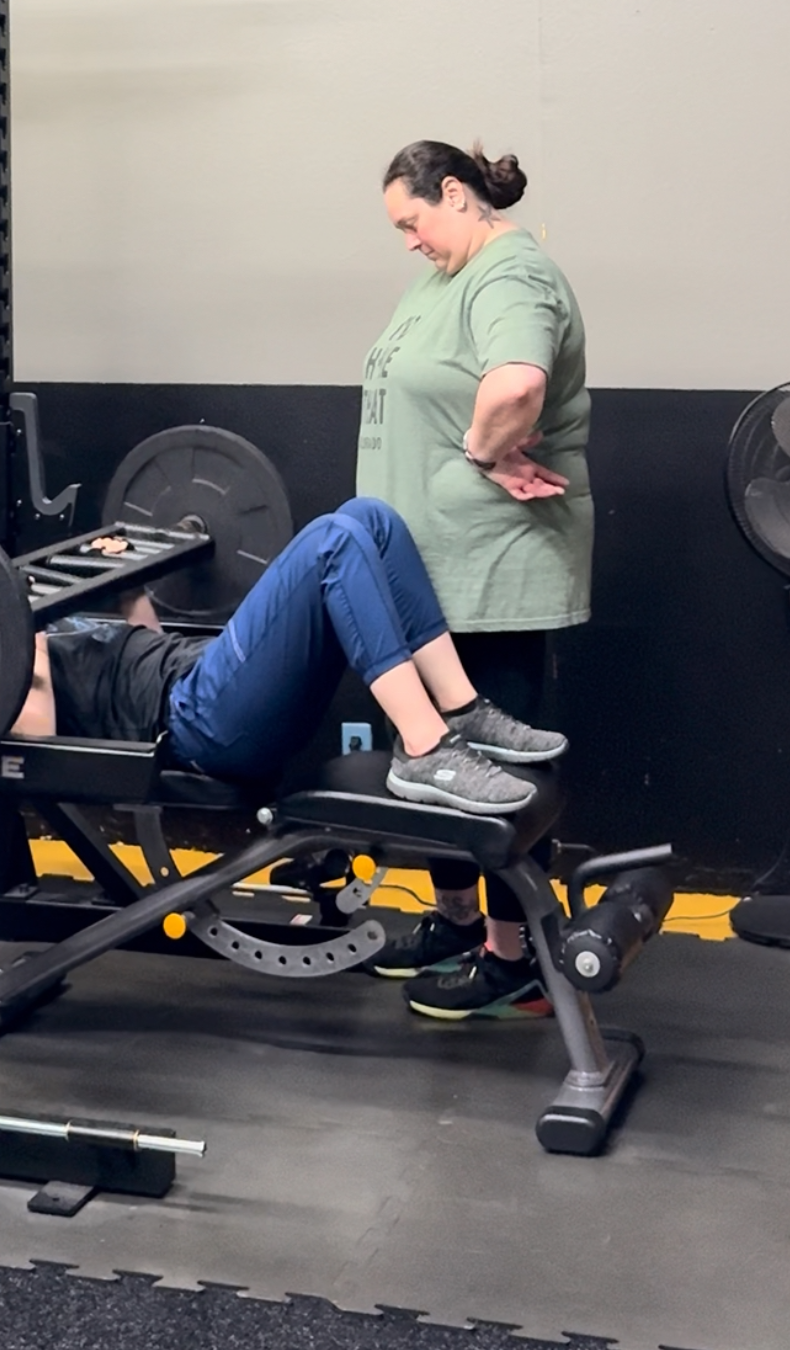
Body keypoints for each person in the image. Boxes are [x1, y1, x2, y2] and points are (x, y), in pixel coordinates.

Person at [0, 498, 565, 984]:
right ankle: (426, 744)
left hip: (199, 675)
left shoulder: (3, 656)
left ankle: (458, 708)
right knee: (334, 543)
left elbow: (131, 655)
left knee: (370, 517)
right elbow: (50, 701)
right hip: (202, 723)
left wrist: (129, 585)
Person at [356, 139, 592, 1022]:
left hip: (489, 565)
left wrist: (481, 449)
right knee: (430, 761)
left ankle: (516, 955)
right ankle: (457, 922)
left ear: (454, 194)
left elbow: (518, 384)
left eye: (412, 221)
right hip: (423, 574)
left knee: (488, 764)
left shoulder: (510, 275)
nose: (408, 240)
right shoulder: (443, 277)